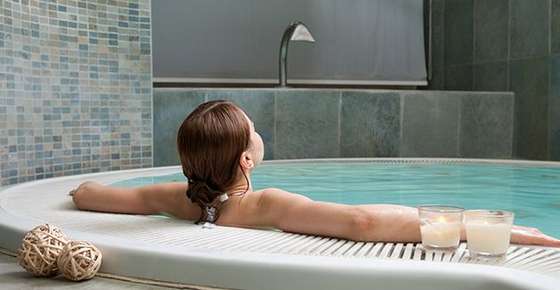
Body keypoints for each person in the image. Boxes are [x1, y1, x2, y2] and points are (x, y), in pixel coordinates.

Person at [71, 100, 560, 246]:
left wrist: (82, 189)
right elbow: (363, 223)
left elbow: (95, 196)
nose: (258, 137)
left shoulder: (180, 198)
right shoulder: (266, 204)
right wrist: (482, 224)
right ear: (246, 159)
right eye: (254, 132)